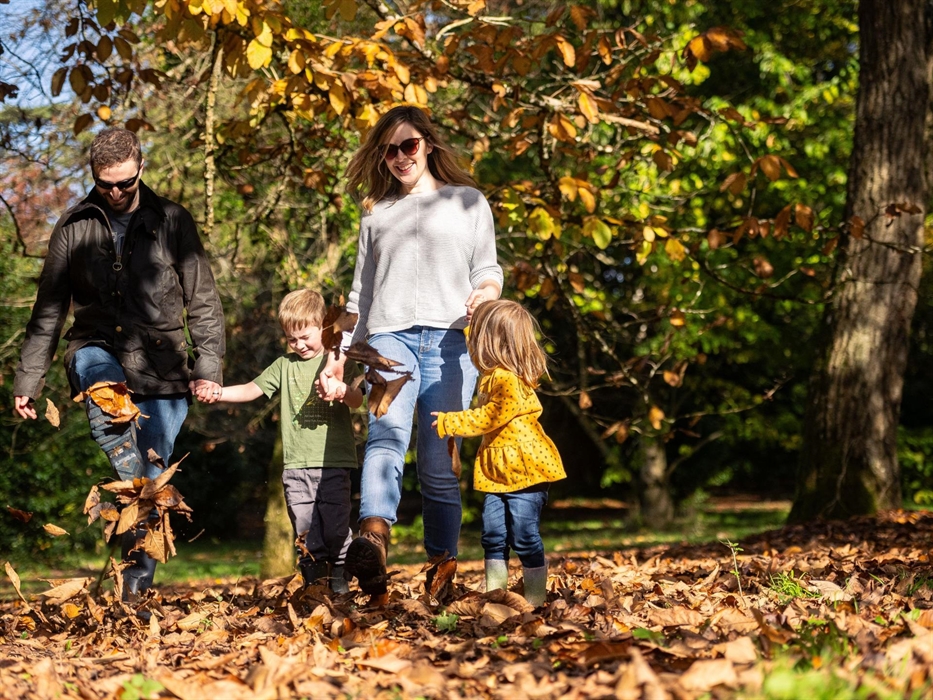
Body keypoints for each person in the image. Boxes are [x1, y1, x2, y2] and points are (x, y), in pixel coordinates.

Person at [13, 127, 225, 610]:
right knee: (96, 372)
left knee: (148, 490)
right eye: (105, 183)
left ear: (141, 169)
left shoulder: (172, 220)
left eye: (125, 184)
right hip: (97, 347)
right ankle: (130, 468)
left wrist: (207, 366)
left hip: (164, 367)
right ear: (93, 176)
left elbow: (204, 301)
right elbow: (49, 309)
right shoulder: (73, 225)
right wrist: (29, 379)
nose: (115, 193)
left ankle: (133, 591)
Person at [319, 105, 503, 599]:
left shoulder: (469, 202)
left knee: (441, 464)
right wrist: (336, 353)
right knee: (386, 435)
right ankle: (373, 543)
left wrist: (485, 294)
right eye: (389, 149)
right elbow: (359, 294)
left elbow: (488, 269)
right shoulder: (376, 212)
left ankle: (441, 571)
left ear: (428, 144)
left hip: (450, 342)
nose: (400, 157)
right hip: (388, 340)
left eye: (408, 146)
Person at [209, 289, 362, 593]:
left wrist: (342, 391)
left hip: (333, 462)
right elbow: (252, 389)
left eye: (305, 336)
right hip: (295, 467)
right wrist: (218, 392)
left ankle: (341, 580)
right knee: (305, 532)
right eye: (292, 339)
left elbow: (358, 400)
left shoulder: (340, 361)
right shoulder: (284, 365)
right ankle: (314, 588)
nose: (299, 345)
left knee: (334, 527)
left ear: (324, 327)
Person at [432, 300, 565, 607]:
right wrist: (470, 322)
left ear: (492, 343)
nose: (473, 343)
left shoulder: (507, 380)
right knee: (493, 534)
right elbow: (475, 342)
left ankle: (534, 599)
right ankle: (497, 593)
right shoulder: (493, 373)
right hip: (498, 476)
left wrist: (451, 421)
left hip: (525, 473)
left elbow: (489, 416)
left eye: (477, 336)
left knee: (524, 536)